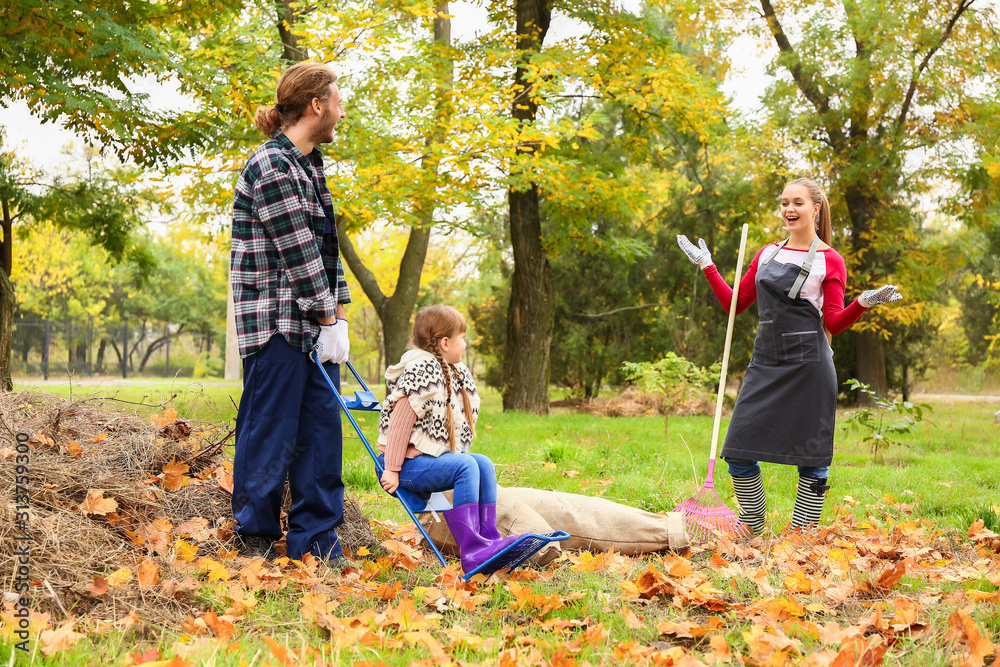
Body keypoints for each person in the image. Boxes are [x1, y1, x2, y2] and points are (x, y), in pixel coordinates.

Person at [677, 177, 903, 533]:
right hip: (765, 361)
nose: (788, 209)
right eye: (784, 202)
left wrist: (863, 302)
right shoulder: (768, 253)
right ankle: (753, 526)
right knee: (737, 451)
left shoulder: (830, 260)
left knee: (812, 460)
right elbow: (735, 305)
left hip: (809, 366)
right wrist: (708, 265)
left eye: (797, 202)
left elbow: (834, 322)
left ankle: (802, 535)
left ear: (815, 208)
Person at [230, 61, 352, 565]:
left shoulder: (311, 163)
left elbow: (327, 249)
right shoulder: (271, 165)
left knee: (322, 437)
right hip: (276, 325)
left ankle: (317, 543)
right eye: (338, 101)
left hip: (315, 324)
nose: (342, 111)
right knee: (269, 432)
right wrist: (327, 320)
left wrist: (339, 319)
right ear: (316, 105)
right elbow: (297, 251)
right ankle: (254, 540)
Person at [377, 305, 530, 573]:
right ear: (445, 343)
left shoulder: (451, 371)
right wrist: (391, 468)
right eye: (461, 337)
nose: (465, 343)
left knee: (482, 463)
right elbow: (400, 422)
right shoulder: (421, 371)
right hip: (404, 463)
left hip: (430, 461)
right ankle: (472, 550)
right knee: (465, 465)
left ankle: (488, 540)